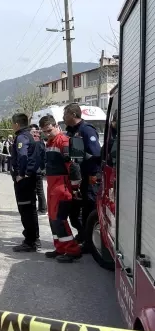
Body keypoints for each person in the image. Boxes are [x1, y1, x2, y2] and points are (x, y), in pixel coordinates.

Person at [39, 115, 83, 263]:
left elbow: (74, 167)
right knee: (52, 219)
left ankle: (72, 250)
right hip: (53, 186)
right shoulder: (50, 142)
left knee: (59, 219)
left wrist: (76, 188)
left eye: (49, 130)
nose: (47, 133)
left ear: (56, 126)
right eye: (44, 131)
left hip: (62, 187)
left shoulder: (63, 142)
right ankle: (60, 248)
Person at [63, 102, 102, 249]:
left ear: (73, 114)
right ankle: (82, 233)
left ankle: (90, 241)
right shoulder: (70, 131)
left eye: (65, 114)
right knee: (73, 211)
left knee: (88, 208)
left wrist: (78, 156)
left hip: (89, 176)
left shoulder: (87, 130)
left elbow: (96, 153)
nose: (63, 117)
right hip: (75, 178)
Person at [10, 113, 42, 252]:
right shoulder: (30, 135)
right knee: (31, 209)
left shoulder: (22, 137)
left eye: (12, 124)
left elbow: (23, 155)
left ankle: (30, 241)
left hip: (24, 180)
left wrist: (20, 174)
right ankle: (35, 238)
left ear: (16, 124)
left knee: (25, 210)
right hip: (31, 177)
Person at [30, 124, 48, 215]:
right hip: (37, 169)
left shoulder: (37, 142)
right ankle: (42, 208)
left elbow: (42, 156)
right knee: (37, 190)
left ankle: (43, 209)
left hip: (36, 170)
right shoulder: (38, 141)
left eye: (34, 131)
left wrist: (42, 168)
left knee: (38, 190)